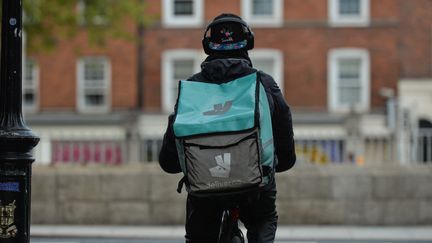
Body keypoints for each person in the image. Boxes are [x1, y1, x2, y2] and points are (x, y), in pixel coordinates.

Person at [159, 13, 296, 243]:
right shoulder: (263, 83)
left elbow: (169, 159)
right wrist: (283, 161)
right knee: (263, 219)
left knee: (200, 233)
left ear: (207, 46)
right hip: (256, 187)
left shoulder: (193, 88)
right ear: (248, 43)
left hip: (205, 187)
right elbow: (283, 130)